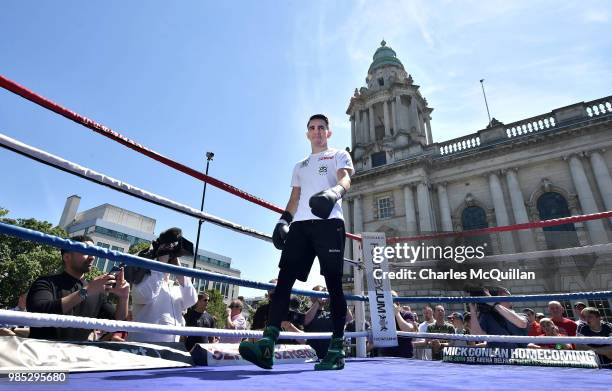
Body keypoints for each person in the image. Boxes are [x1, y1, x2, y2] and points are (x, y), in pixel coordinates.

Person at [239, 113, 354, 371]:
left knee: (334, 283)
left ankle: (336, 350)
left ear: (329, 132)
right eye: (312, 128)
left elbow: (346, 178)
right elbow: (295, 197)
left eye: (322, 128)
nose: (317, 132)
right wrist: (283, 220)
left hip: (329, 221)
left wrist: (333, 193)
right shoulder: (300, 165)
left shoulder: (338, 155)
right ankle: (267, 345)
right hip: (301, 227)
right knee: (283, 283)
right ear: (307, 134)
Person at [26, 235, 130, 341]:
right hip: (41, 352)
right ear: (66, 257)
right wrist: (87, 291)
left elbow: (117, 323)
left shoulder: (96, 290)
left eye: (93, 252)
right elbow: (39, 312)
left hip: (77, 355)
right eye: (85, 251)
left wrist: (124, 297)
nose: (92, 257)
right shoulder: (45, 282)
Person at [127, 228, 198, 343]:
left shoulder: (175, 287)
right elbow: (145, 297)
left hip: (170, 349)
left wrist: (178, 268)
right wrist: (159, 265)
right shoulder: (143, 279)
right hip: (144, 348)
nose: (169, 259)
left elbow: (191, 300)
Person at [303, 285, 352, 358]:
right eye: (319, 293)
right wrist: (318, 302)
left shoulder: (330, 314)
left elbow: (349, 318)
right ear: (312, 297)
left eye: (324, 293)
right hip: (313, 357)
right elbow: (305, 320)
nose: (323, 295)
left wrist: (339, 299)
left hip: (330, 356)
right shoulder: (307, 312)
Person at [376, 291, 416, 358]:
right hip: (386, 356)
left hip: (404, 355)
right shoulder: (382, 316)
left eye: (393, 299)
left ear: (398, 302)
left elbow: (407, 329)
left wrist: (396, 313)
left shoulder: (407, 314)